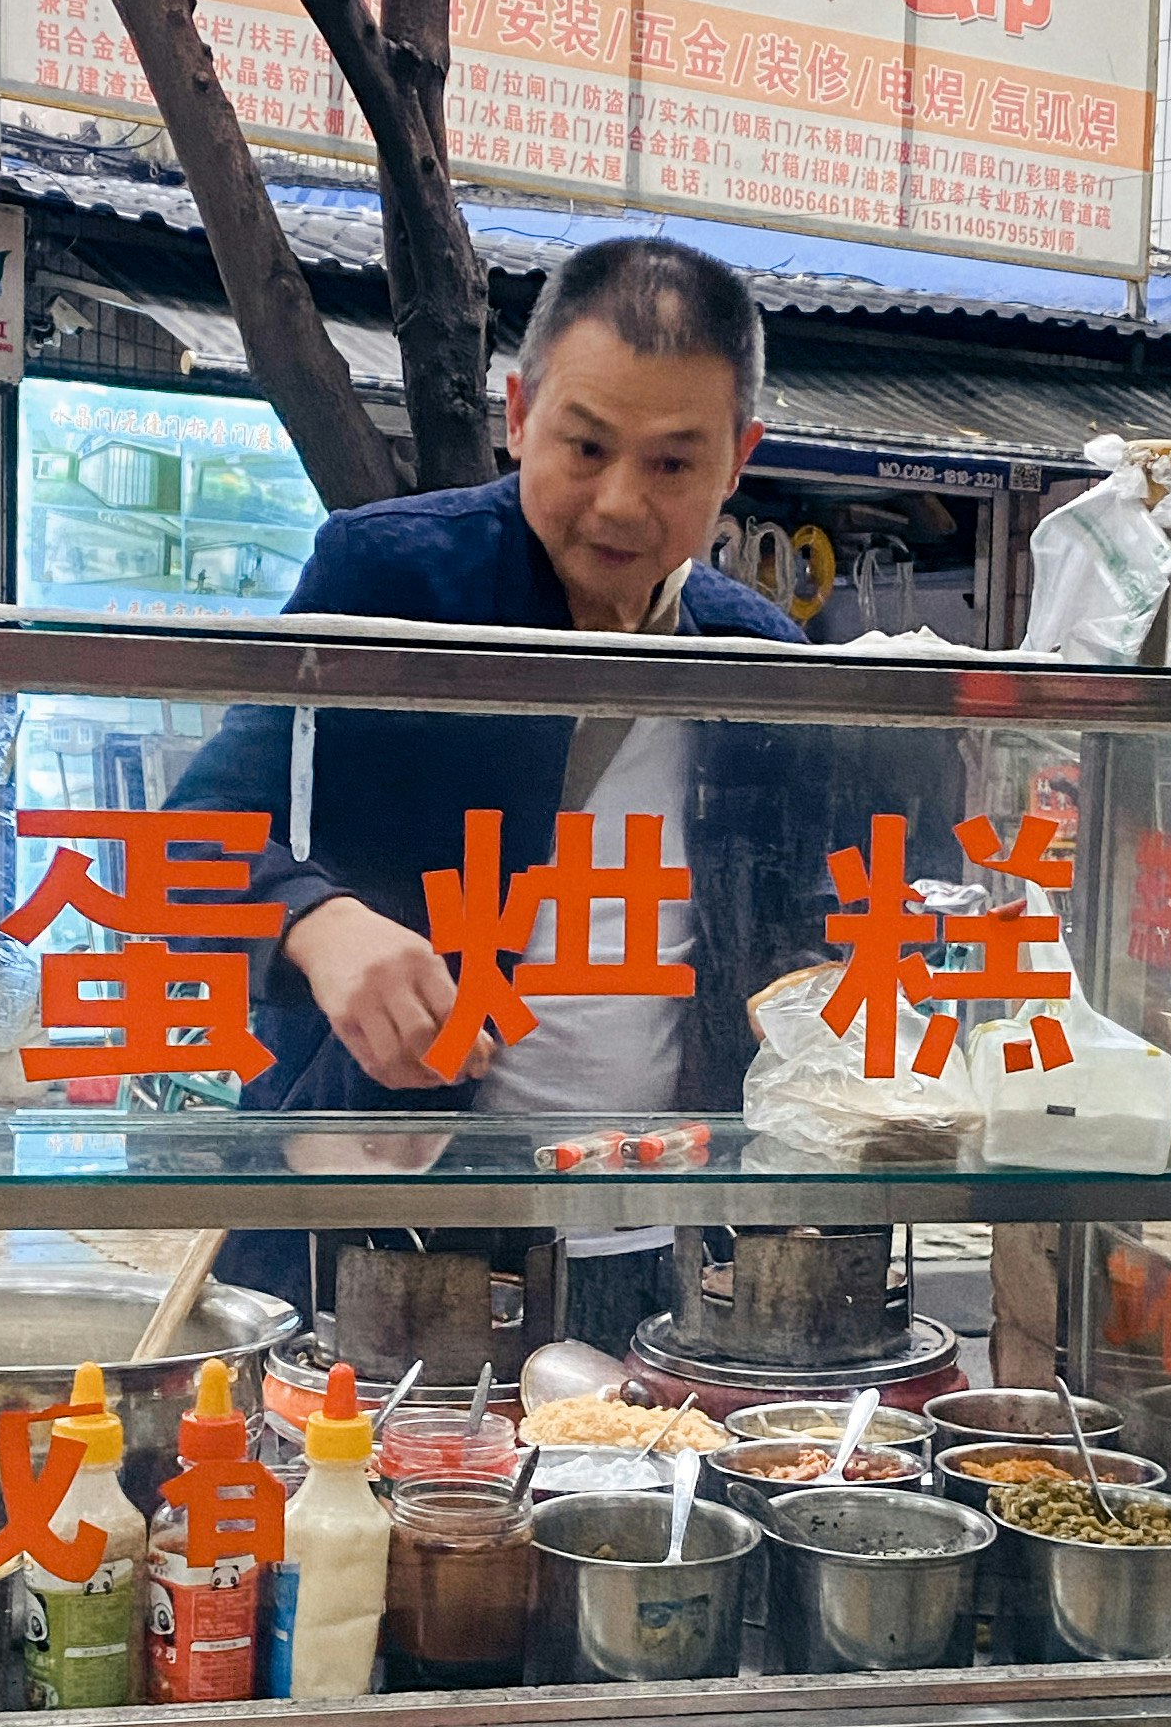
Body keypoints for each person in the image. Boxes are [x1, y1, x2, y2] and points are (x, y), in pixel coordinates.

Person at [168, 234, 818, 1124]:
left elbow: (793, 939)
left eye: (672, 463)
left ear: (738, 458)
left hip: (659, 1213)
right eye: (586, 447)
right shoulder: (390, 583)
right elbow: (181, 843)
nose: (621, 502)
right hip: (390, 1204)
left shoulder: (761, 660)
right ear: (518, 415)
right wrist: (315, 923)